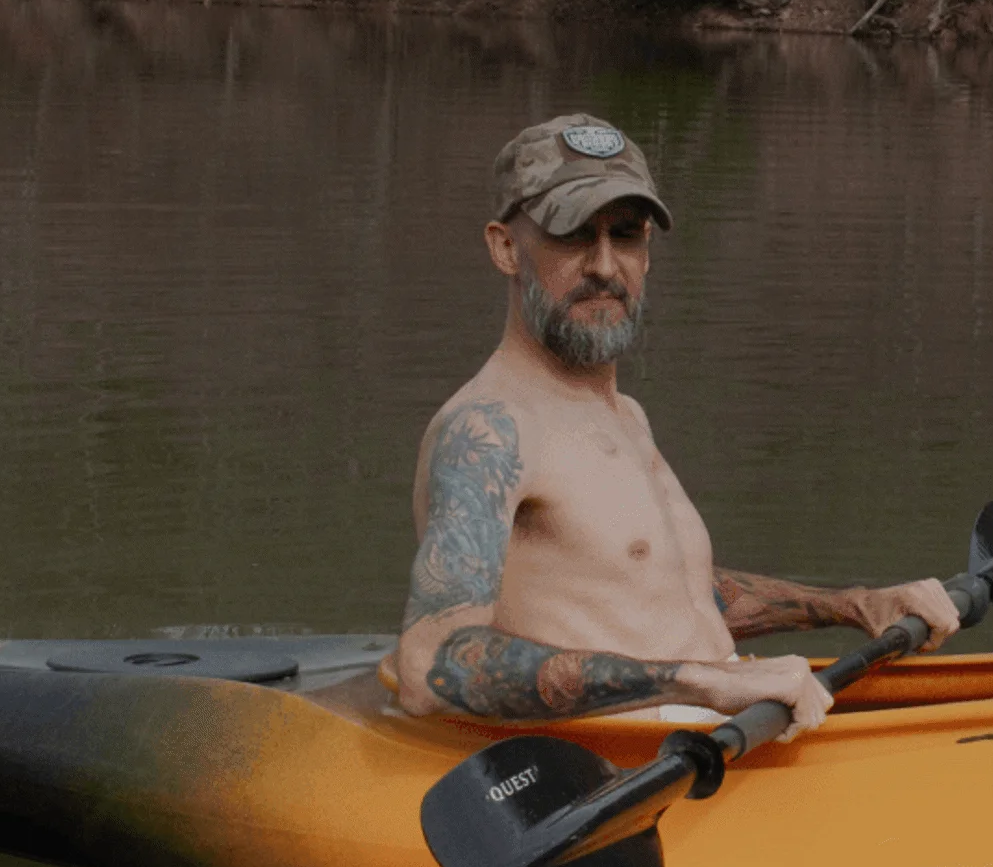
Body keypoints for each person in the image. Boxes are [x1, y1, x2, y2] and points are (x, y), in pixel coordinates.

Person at [383, 114, 959, 732]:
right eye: (574, 235)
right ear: (505, 247)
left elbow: (658, 591)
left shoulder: (622, 413)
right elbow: (432, 666)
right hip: (625, 764)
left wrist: (852, 605)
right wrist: (701, 681)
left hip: (727, 733)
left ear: (647, 253)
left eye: (626, 236)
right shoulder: (487, 432)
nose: (605, 266)